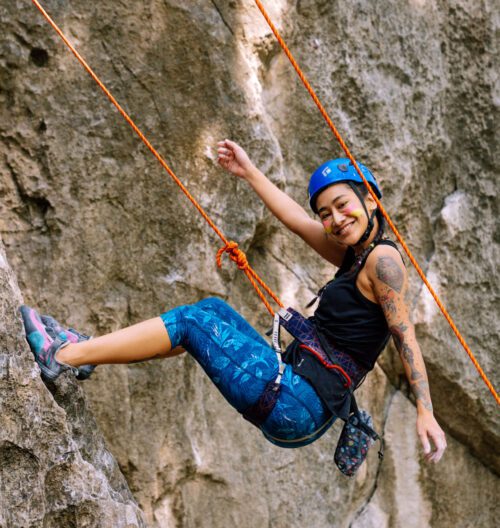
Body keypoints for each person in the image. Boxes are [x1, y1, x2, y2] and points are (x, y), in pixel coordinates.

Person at [20, 139, 447, 464]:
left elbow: (404, 336)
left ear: (371, 200)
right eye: (325, 213)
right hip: (300, 399)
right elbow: (296, 222)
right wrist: (249, 172)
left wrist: (425, 411)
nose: (334, 220)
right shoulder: (354, 255)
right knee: (207, 320)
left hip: (298, 401)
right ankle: (85, 352)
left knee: (197, 320)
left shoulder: (383, 260)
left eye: (343, 206)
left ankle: (66, 356)